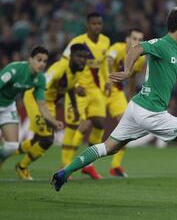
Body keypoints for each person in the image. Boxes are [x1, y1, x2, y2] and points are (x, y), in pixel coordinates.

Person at [51, 7, 177, 202]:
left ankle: (64, 172)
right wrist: (127, 71)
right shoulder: (161, 44)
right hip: (151, 112)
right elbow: (136, 49)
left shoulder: (175, 53)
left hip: (136, 108)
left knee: (109, 147)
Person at [14, 44, 88, 180]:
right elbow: (42, 83)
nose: (82, 60)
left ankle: (9, 153)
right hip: (36, 98)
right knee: (47, 139)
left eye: (85, 57)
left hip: (50, 103)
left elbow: (70, 88)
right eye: (79, 56)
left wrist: (76, 109)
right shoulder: (59, 68)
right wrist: (43, 110)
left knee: (38, 139)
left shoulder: (79, 71)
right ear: (71, 56)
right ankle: (21, 166)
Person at [61, 12, 110, 179]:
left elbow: (103, 65)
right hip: (79, 89)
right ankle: (66, 165)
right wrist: (73, 85)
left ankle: (88, 165)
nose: (97, 26)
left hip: (95, 90)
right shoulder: (77, 42)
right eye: (94, 24)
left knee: (99, 124)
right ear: (87, 25)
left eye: (99, 24)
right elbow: (64, 64)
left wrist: (107, 81)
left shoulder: (105, 41)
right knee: (77, 126)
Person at [0, 46, 63, 168]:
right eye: (39, 60)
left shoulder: (40, 79)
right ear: (30, 59)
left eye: (44, 61)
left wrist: (54, 122)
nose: (42, 64)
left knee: (12, 147)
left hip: (8, 107)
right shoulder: (14, 70)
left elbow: (42, 105)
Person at [106, 28, 146, 178]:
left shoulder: (140, 58)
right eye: (134, 38)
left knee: (127, 123)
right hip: (99, 88)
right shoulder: (117, 48)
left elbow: (132, 79)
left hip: (116, 92)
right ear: (127, 39)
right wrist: (110, 78)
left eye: (140, 39)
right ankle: (67, 164)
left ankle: (115, 166)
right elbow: (109, 60)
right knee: (87, 125)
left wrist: (130, 97)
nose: (137, 42)